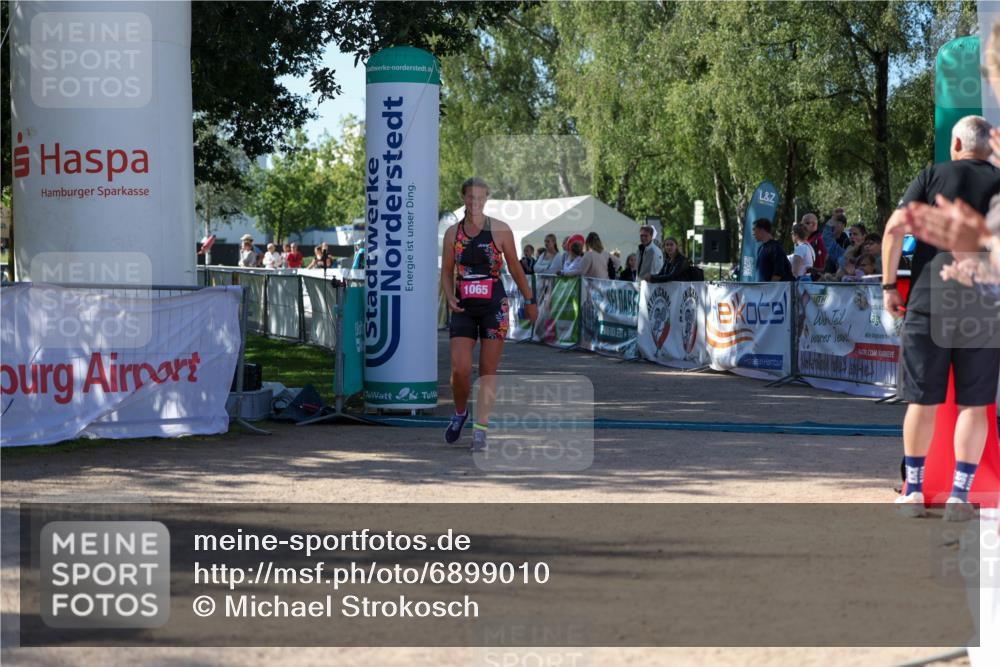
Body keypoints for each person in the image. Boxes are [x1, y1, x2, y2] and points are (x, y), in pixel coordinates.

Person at [882, 114, 1000, 521]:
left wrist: (887, 286)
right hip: (984, 304)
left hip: (929, 299)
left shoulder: (931, 176)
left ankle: (913, 491)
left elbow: (895, 228)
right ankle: (959, 497)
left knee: (922, 399)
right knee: (974, 404)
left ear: (955, 144)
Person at [441, 177, 537, 452]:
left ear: (487, 199)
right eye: (470, 197)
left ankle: (481, 429)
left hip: (494, 306)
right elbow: (447, 272)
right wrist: (449, 295)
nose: (475, 202)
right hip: (463, 307)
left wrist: (529, 299)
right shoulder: (452, 234)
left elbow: (516, 269)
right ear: (463, 198)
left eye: (480, 198)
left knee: (487, 371)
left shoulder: (501, 230)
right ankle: (460, 413)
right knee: (459, 370)